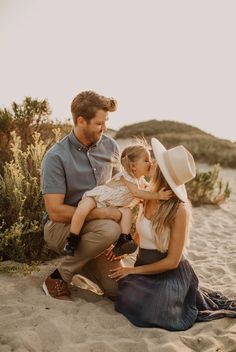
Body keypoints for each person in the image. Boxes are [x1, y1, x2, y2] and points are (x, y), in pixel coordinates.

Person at [109, 138, 236, 330]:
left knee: (156, 310)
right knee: (127, 296)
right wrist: (122, 251)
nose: (150, 162)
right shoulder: (146, 196)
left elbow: (172, 262)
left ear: (162, 172)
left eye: (155, 162)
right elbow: (139, 236)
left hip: (169, 272)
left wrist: (132, 270)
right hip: (144, 266)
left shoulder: (179, 209)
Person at [41, 90, 124, 301]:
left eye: (106, 121)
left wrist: (122, 240)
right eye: (99, 123)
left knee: (119, 290)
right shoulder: (56, 157)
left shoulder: (111, 146)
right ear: (80, 121)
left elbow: (121, 188)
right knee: (109, 228)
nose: (104, 128)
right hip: (61, 228)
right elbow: (56, 212)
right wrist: (103, 214)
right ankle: (59, 276)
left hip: (97, 231)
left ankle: (82, 259)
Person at [64, 142, 173, 257]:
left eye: (150, 160)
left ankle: (123, 239)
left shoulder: (140, 180)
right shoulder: (127, 176)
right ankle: (72, 240)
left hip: (113, 206)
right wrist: (158, 196)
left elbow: (149, 190)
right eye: (146, 160)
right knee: (82, 209)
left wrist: (153, 175)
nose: (150, 163)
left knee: (127, 212)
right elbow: (137, 193)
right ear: (133, 166)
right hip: (98, 198)